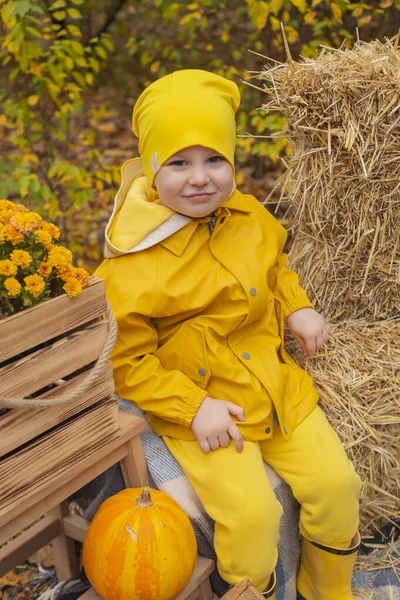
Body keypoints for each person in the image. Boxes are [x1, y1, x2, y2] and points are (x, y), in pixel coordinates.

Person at [95, 69, 361, 599]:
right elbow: (125, 361)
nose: (200, 178)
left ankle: (326, 592)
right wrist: (195, 408)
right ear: (151, 171)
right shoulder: (131, 263)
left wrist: (297, 308)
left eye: (215, 159)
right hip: (208, 411)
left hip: (274, 386)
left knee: (338, 488)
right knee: (254, 519)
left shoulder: (246, 216)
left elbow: (276, 268)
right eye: (179, 163)